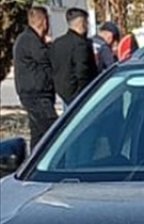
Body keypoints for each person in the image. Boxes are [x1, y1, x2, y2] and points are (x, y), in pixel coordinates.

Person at [12, 6, 58, 145]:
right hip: (36, 96)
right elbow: (47, 58)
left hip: (34, 94)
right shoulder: (30, 40)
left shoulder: (27, 39)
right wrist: (52, 46)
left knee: (39, 137)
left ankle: (34, 162)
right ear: (44, 22)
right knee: (54, 133)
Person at [51, 8, 99, 106]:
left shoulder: (57, 43)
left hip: (63, 93)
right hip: (80, 95)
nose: (88, 26)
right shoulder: (81, 45)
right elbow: (83, 72)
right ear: (82, 23)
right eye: (87, 22)